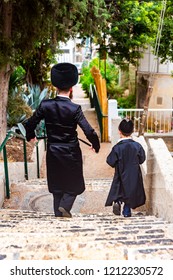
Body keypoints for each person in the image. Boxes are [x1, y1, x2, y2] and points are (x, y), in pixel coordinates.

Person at [24, 62, 100, 218]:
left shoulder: (46, 105)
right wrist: (96, 144)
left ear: (55, 87)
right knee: (75, 184)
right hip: (71, 151)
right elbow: (89, 130)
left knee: (57, 186)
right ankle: (65, 207)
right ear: (71, 88)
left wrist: (30, 135)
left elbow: (30, 123)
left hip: (53, 151)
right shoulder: (75, 109)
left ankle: (58, 216)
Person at [105, 119, 146, 217]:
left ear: (119, 131)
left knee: (120, 188)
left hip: (120, 173)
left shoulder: (117, 148)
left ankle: (118, 202)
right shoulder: (137, 146)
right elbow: (142, 159)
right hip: (134, 175)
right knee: (130, 192)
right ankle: (127, 212)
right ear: (132, 131)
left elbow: (110, 161)